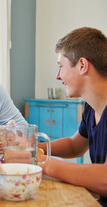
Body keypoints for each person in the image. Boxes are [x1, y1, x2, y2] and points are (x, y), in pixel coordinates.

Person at [38, 27, 107, 206]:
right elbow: (74, 146)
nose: (58, 75)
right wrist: (33, 148)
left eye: (61, 66)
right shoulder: (91, 107)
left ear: (82, 65)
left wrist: (43, 163)